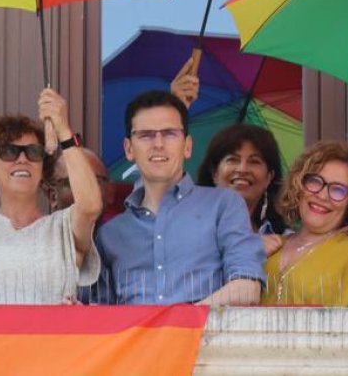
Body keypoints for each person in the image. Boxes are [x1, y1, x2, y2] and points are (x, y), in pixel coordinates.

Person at [96, 90, 264, 305]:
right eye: (146, 135)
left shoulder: (223, 205)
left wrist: (181, 326)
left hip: (203, 337)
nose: (158, 143)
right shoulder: (110, 233)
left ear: (187, 146)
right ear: (129, 149)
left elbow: (247, 287)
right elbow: (99, 312)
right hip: (136, 338)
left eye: (169, 133)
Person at [0, 88, 102, 304]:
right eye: (9, 152)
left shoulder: (64, 228)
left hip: (50, 338)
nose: (22, 159)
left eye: (34, 152)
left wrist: (63, 130)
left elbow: (90, 206)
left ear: (43, 168)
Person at [261, 140, 348, 307]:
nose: (322, 195)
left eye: (338, 189)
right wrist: (253, 254)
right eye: (314, 181)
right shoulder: (270, 246)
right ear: (298, 184)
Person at [196, 124, 288, 255]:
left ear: (269, 177)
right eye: (232, 160)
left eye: (254, 161)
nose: (242, 169)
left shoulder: (284, 238)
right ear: (214, 173)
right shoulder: (188, 230)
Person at [49, 146, 115, 218]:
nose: (84, 192)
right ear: (53, 197)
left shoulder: (123, 228)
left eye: (92, 182)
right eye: (73, 183)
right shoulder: (39, 228)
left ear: (110, 192)